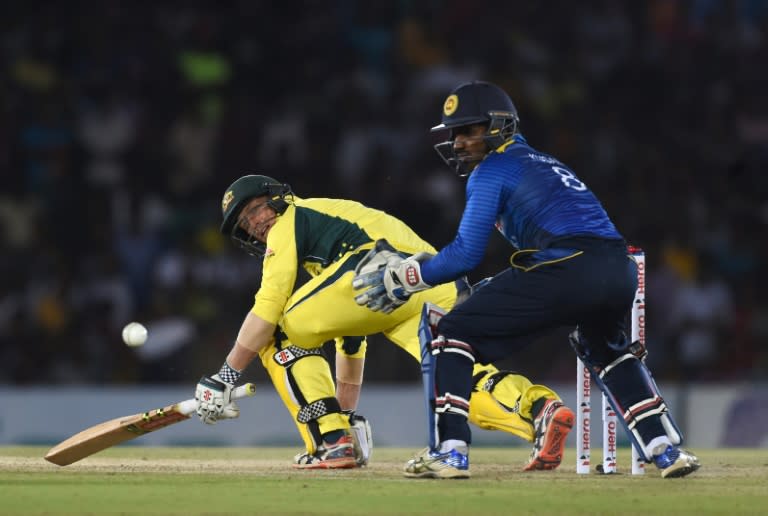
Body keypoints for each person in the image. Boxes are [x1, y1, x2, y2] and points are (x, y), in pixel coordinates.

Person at [353, 80, 701, 479]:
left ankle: (450, 451)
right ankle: (666, 450)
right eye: (454, 133)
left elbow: (465, 254)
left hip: (566, 266)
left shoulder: (492, 170)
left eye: (469, 130)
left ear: (499, 125)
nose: (460, 142)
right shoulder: (546, 162)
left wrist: (410, 274)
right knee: (606, 350)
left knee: (449, 333)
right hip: (617, 269)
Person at [193, 173, 574, 470]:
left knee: (274, 331)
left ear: (277, 198)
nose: (253, 225)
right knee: (456, 381)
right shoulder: (329, 233)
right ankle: (538, 408)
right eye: (244, 222)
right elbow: (351, 338)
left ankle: (328, 440)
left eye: (255, 210)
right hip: (431, 281)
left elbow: (266, 310)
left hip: (371, 272)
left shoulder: (291, 219)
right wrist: (344, 412)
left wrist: (224, 377)